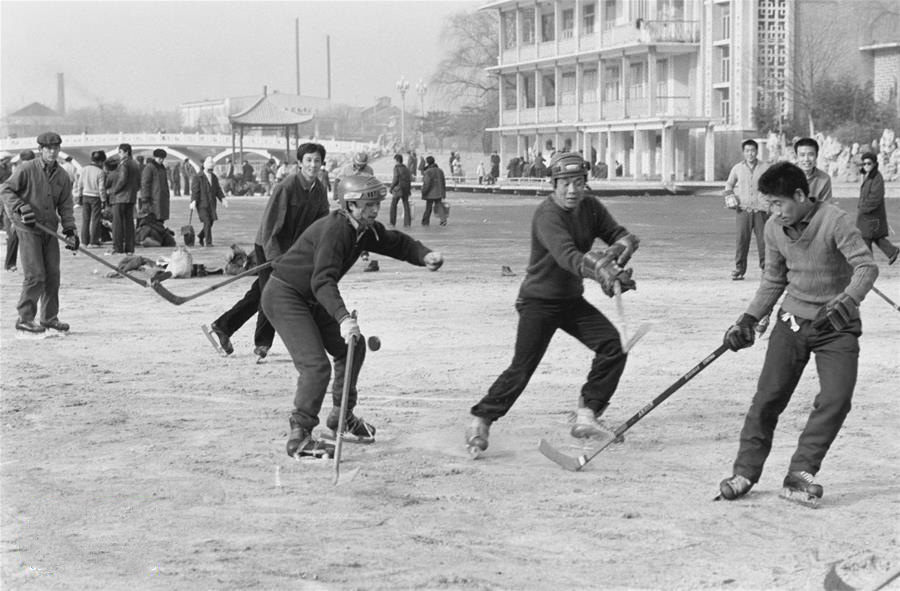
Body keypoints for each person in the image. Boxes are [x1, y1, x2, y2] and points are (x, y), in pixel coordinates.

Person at [718, 161, 878, 506]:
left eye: (779, 204)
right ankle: (745, 470)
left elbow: (866, 267)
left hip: (837, 327)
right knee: (768, 399)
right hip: (791, 323)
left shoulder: (835, 221)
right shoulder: (775, 229)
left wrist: (848, 300)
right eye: (769, 206)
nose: (774, 213)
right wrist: (747, 319)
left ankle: (800, 472)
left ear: (800, 194)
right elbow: (774, 280)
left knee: (837, 398)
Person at [465, 152, 640, 456]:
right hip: (539, 302)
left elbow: (619, 234)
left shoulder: (591, 207)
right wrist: (601, 272)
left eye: (578, 183)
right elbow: (568, 257)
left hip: (570, 300)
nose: (572, 190)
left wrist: (618, 256)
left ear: (586, 183)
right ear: (553, 184)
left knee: (614, 346)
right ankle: (481, 420)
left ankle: (587, 415)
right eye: (565, 183)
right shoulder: (547, 215)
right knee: (522, 368)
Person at [259, 174, 444, 458]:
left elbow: (395, 243)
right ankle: (300, 436)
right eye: (367, 204)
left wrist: (423, 255)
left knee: (352, 347)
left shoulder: (362, 228)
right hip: (285, 295)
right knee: (315, 366)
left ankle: (341, 418)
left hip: (309, 295)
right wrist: (344, 318)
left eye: (376, 203)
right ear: (350, 204)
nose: (374, 209)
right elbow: (323, 281)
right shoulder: (337, 230)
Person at [206, 143, 329, 361]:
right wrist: (275, 257)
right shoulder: (287, 186)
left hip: (293, 252)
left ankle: (223, 326)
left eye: (317, 160)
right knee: (271, 293)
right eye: (308, 160)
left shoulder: (319, 189)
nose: (313, 165)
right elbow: (271, 225)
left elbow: (321, 224)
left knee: (260, 293)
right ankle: (262, 342)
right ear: (300, 163)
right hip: (269, 246)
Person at [0, 131, 77, 336]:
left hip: (49, 229)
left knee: (52, 275)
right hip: (28, 228)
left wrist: (70, 230)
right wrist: (20, 207)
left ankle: (49, 318)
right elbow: (6, 190)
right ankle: (25, 318)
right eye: (48, 149)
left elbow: (66, 205)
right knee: (36, 275)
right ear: (40, 150)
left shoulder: (62, 175)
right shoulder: (27, 169)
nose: (52, 152)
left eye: (56, 149)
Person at [723, 139, 771, 282]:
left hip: (761, 210)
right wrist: (729, 196)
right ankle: (739, 270)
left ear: (757, 151)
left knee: (764, 241)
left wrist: (771, 203)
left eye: (753, 150)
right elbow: (729, 183)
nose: (750, 153)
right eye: (747, 151)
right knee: (742, 241)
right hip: (743, 210)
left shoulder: (766, 167)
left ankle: (766, 269)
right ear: (744, 152)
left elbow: (774, 184)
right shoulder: (737, 168)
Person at [856, 152, 899, 265]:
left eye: (869, 163)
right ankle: (892, 251)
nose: (866, 165)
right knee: (875, 237)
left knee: (866, 238)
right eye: (864, 163)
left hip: (871, 215)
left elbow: (875, 197)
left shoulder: (877, 178)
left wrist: (863, 208)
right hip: (868, 215)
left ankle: (868, 264)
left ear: (875, 164)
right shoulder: (868, 175)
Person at [4, 150, 36, 272]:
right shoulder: (20, 171)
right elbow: (7, 193)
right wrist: (13, 217)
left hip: (24, 209)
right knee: (15, 235)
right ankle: (10, 264)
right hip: (15, 209)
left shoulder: (31, 170)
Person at [110, 143, 141, 254]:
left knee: (117, 224)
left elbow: (122, 180)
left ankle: (118, 248)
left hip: (120, 198)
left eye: (120, 152)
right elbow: (138, 182)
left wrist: (114, 191)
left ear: (126, 152)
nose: (119, 154)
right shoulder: (135, 164)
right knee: (129, 224)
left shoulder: (124, 165)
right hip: (131, 197)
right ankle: (130, 248)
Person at [190, 157, 227, 247]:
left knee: (211, 222)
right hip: (202, 203)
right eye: (209, 169)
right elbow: (195, 190)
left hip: (212, 203)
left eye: (212, 169)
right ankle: (208, 242)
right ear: (205, 167)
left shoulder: (214, 177)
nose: (211, 170)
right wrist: (193, 201)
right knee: (207, 221)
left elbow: (218, 189)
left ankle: (201, 235)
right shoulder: (198, 177)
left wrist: (222, 198)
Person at [77, 150, 108, 248]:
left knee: (85, 219)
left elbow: (79, 184)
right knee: (95, 219)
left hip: (85, 196)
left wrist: (79, 196)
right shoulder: (100, 172)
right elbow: (101, 188)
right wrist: (103, 200)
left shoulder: (84, 169)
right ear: (101, 161)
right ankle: (93, 241)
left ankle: (84, 241)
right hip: (96, 197)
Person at [794, 137, 832, 203]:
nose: (806, 159)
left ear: (816, 156)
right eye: (802, 155)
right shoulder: (785, 176)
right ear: (796, 157)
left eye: (811, 154)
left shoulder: (824, 179)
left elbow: (825, 206)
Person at [140, 148, 171, 224]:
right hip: (153, 199)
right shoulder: (149, 167)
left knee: (160, 219)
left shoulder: (162, 168)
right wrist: (145, 198)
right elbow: (145, 184)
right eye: (160, 158)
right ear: (155, 157)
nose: (161, 160)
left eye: (163, 159)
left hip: (162, 198)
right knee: (153, 219)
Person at [420, 155, 448, 226]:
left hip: (430, 193)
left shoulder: (428, 172)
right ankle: (443, 220)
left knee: (428, 207)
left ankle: (425, 222)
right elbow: (443, 182)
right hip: (439, 192)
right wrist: (443, 193)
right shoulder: (440, 171)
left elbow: (427, 183)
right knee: (439, 205)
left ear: (428, 163)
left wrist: (423, 191)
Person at [388, 153, 412, 227]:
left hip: (398, 189)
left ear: (397, 160)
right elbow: (409, 179)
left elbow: (395, 179)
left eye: (394, 160)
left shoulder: (396, 168)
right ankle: (407, 223)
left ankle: (392, 222)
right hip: (406, 189)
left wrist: (391, 188)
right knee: (406, 206)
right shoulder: (406, 168)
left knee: (393, 205)